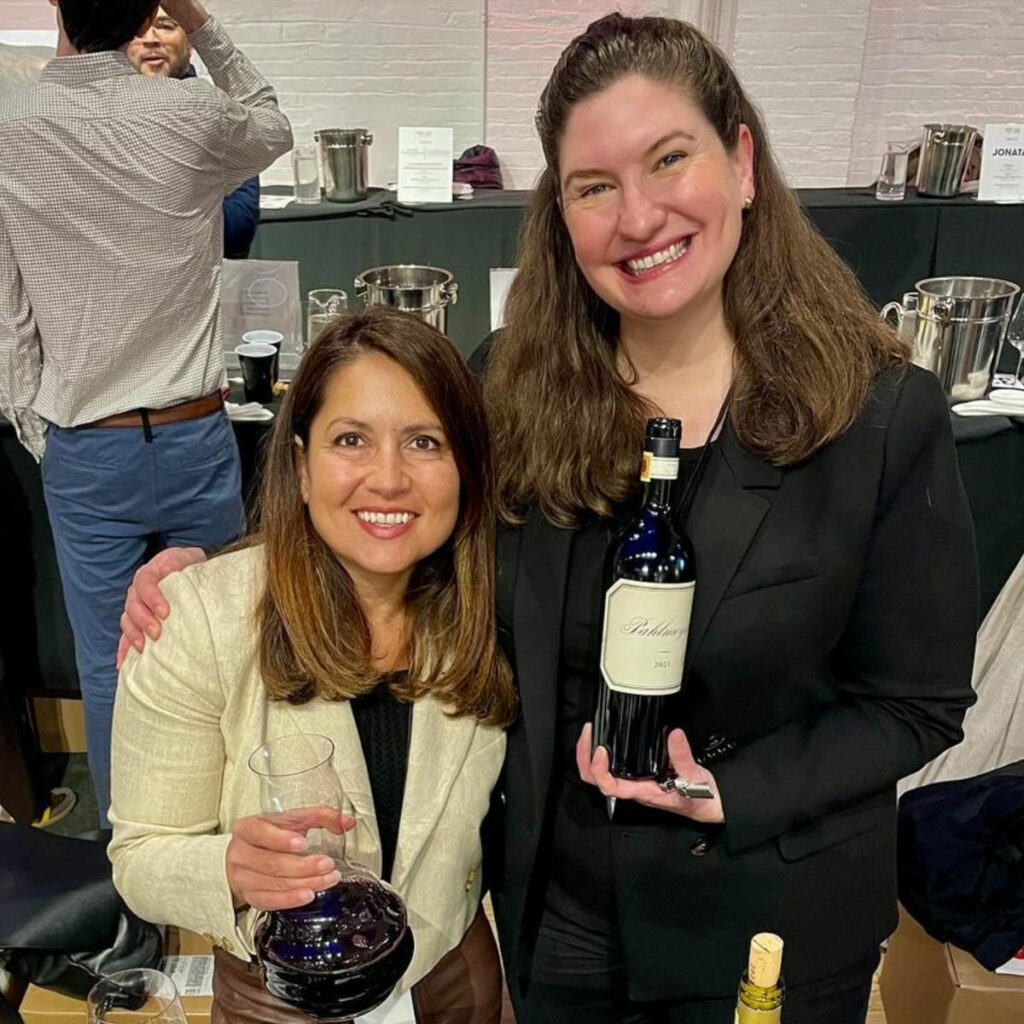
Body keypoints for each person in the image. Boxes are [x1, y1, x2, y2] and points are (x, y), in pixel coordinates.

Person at [119, 13, 980, 1024]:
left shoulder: (875, 417)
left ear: (741, 161)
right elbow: (403, 510)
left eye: (669, 160)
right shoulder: (515, 389)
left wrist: (732, 789)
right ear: (560, 213)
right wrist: (214, 569)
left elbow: (916, 703)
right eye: (594, 186)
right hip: (554, 910)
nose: (639, 215)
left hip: (765, 919)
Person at [108, 306, 517, 1024]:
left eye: (424, 441)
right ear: (300, 467)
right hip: (278, 1002)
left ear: (467, 470)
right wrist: (228, 869)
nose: (387, 479)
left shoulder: (497, 610)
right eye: (350, 439)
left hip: (453, 981)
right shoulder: (200, 622)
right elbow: (140, 855)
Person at [0, 0, 291, 827]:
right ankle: (225, 829)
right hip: (196, 430)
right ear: (145, 12)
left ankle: (133, 861)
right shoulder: (187, 110)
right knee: (226, 645)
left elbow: (9, 317)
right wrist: (203, 25)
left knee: (107, 667)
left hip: (87, 447)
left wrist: (41, 434)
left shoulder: (12, 125)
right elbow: (271, 123)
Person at [126, 7, 260, 259]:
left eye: (166, 26)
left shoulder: (219, 112)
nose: (152, 38)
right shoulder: (92, 114)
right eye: (138, 29)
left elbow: (237, 230)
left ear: (189, 40)